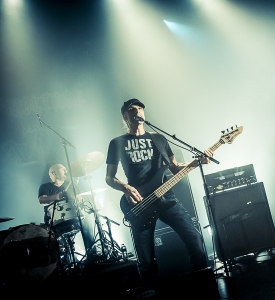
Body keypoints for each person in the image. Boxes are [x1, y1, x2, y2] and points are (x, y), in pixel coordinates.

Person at [105, 98, 213, 281]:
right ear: (125, 117)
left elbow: (175, 167)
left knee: (195, 240)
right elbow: (109, 177)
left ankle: (203, 285)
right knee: (146, 261)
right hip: (139, 204)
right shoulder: (117, 143)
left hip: (166, 199)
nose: (138, 111)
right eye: (132, 109)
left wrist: (199, 161)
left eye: (140, 108)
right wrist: (125, 188)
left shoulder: (159, 139)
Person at [38, 164, 95, 259]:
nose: (65, 171)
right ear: (54, 173)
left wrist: (79, 198)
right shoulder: (45, 187)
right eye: (62, 169)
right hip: (55, 220)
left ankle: (92, 253)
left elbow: (80, 199)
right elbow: (41, 200)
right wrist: (57, 196)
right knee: (61, 246)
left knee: (86, 217)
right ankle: (65, 261)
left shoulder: (71, 184)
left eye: (65, 169)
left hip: (73, 216)